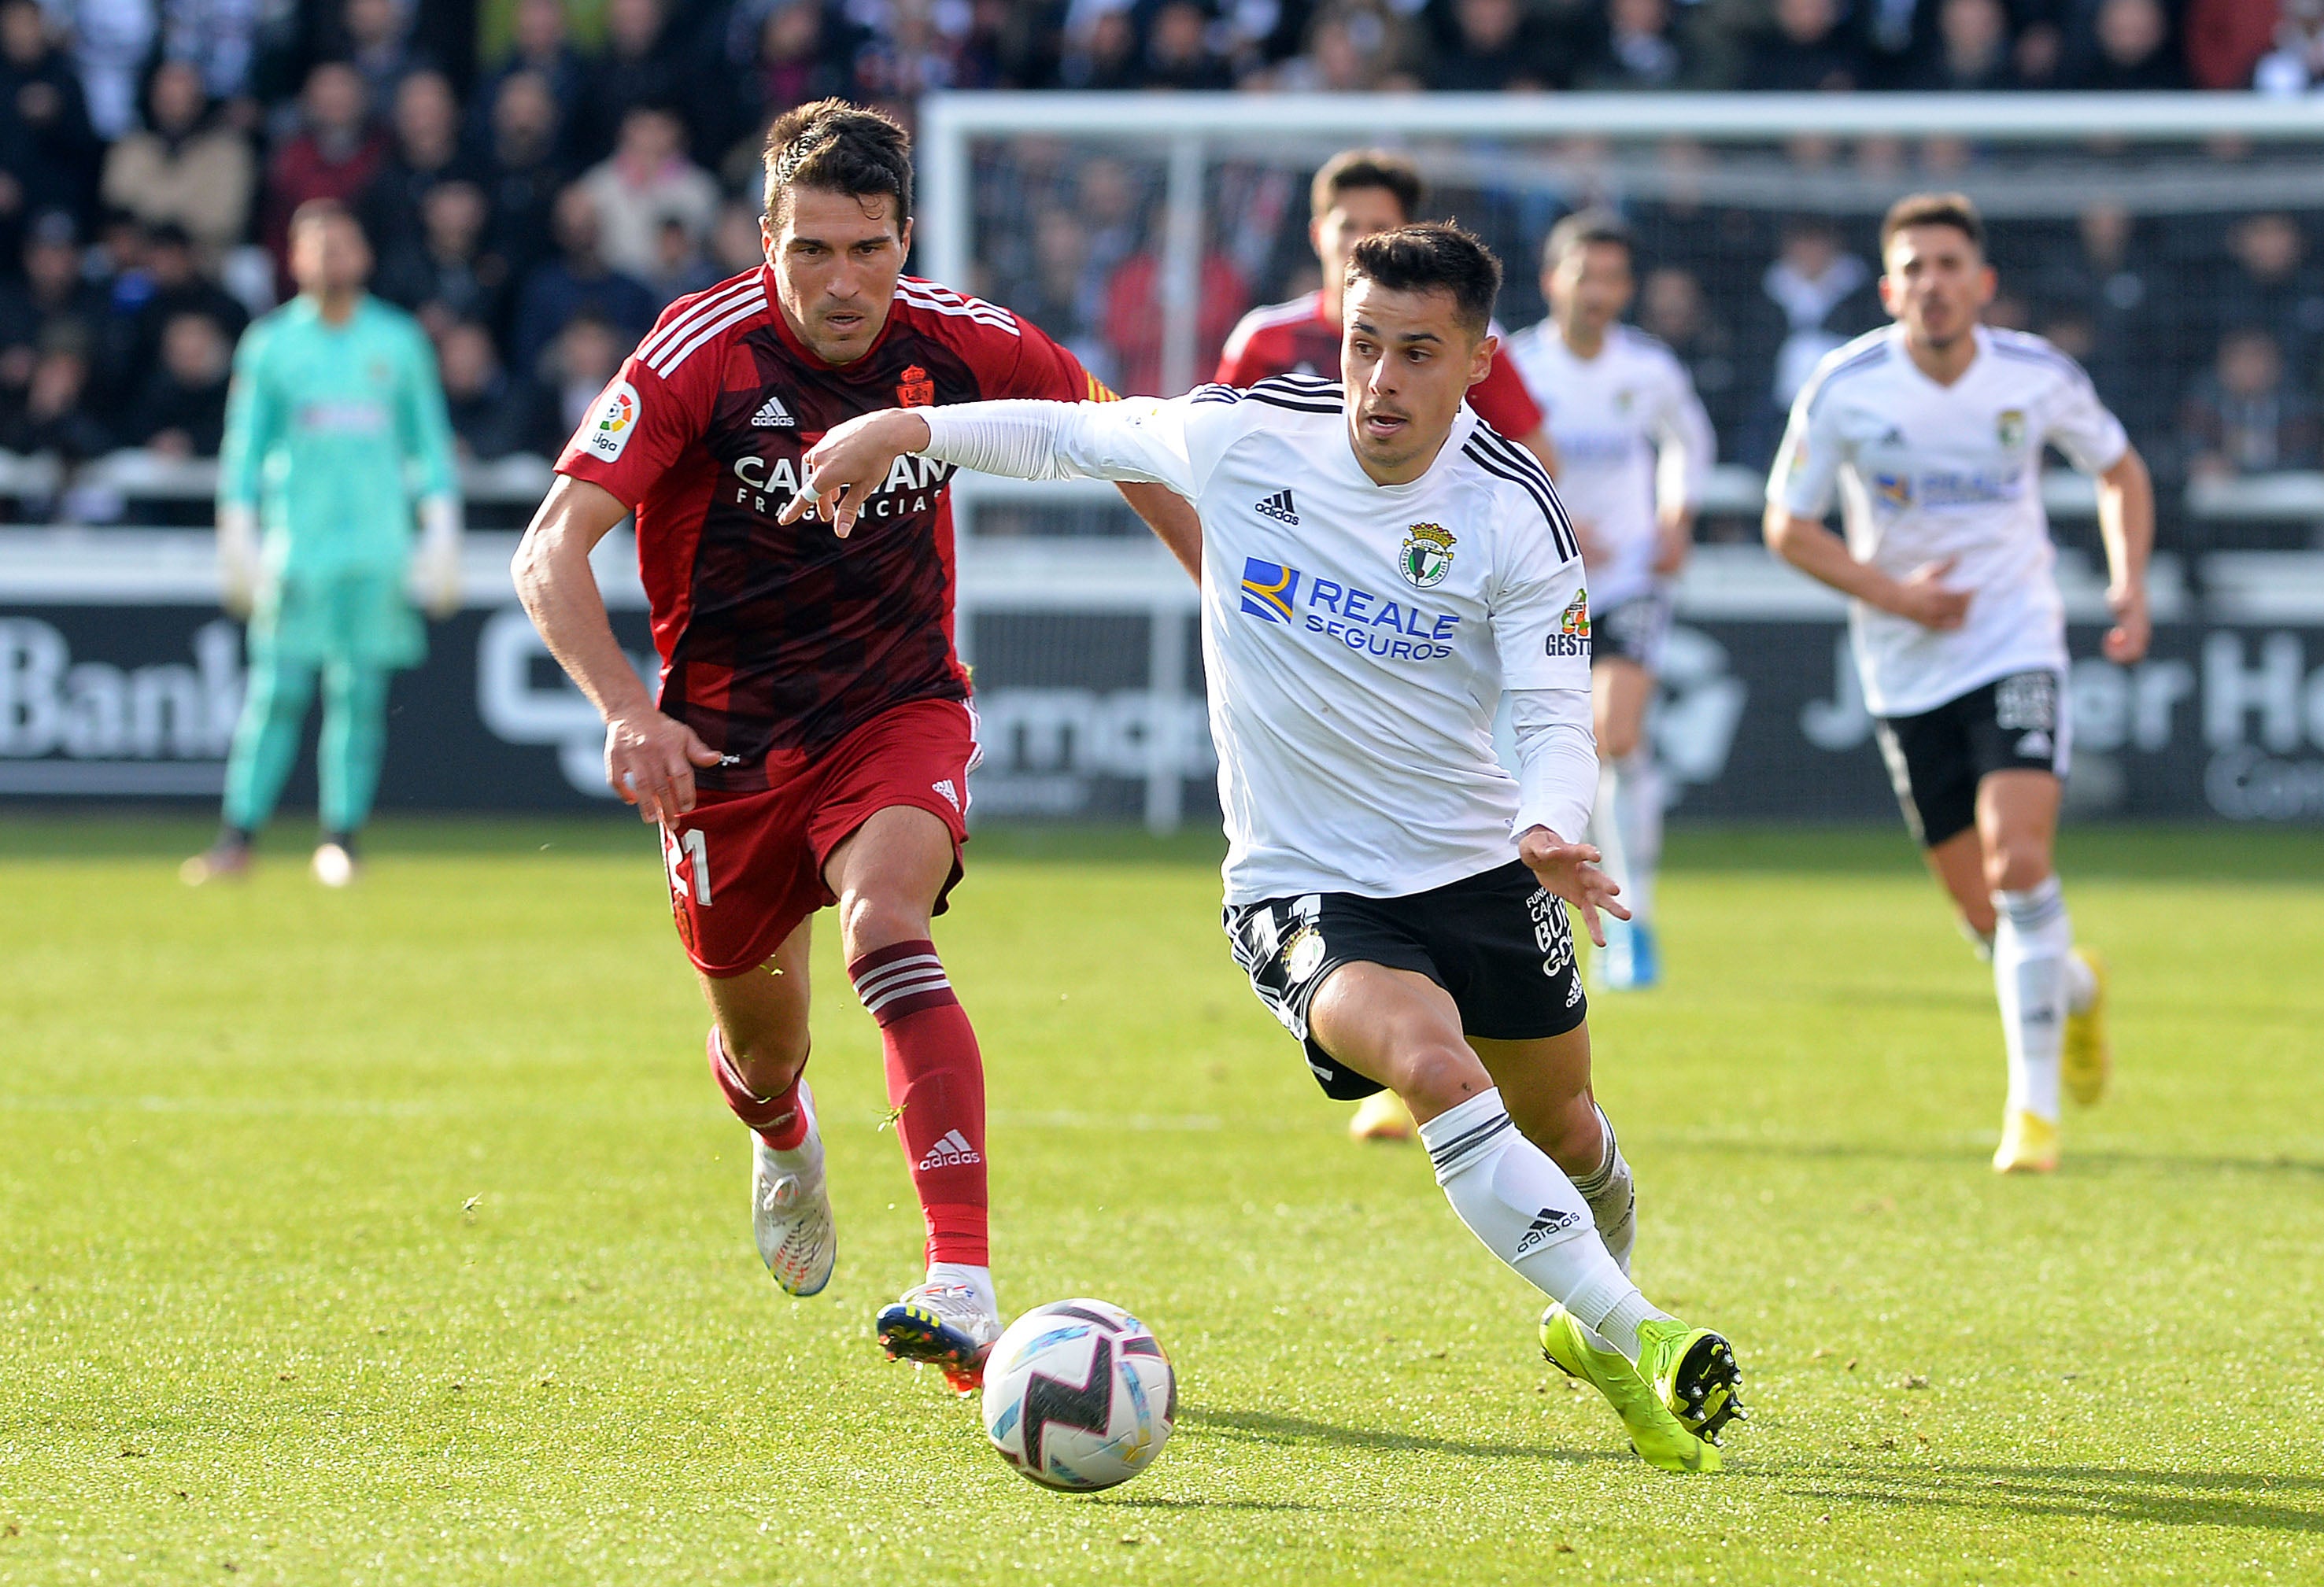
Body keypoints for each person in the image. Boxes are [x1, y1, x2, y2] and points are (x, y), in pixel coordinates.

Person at [791, 222, 1746, 1472]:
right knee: (1431, 1064)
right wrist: (903, 430)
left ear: (1475, 361)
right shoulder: (1248, 434)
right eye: (1363, 344)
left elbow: (1558, 717)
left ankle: (1595, 1331)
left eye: (1417, 352)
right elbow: (1074, 434)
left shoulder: (1516, 514)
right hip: (1305, 886)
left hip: (1475, 863)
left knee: (1568, 1131)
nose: (1380, 380)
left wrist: (1549, 825)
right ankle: (1650, 1333)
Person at [508, 100, 1201, 1394]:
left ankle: (961, 1281)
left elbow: (1135, 443)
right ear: (763, 238)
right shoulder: (694, 355)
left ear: (905, 238)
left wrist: (1232, 608)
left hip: (896, 711)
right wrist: (624, 707)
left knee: (886, 920)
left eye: (867, 249)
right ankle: (783, 1138)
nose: (841, 282)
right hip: (725, 756)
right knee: (764, 1054)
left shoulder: (964, 340)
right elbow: (548, 549)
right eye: (810, 249)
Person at [1764, 192, 2152, 1174]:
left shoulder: (2035, 374)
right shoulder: (1846, 385)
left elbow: (2119, 469)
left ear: (1980, 285)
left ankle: (2032, 1115)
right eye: (1914, 268)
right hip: (1904, 664)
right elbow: (1787, 523)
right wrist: (1892, 592)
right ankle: (2071, 987)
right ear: (1890, 288)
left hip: (2017, 640)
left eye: (1950, 266)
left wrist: (2127, 582)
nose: (1933, 284)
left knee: (2017, 858)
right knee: (1984, 913)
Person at [1215, 145, 1558, 1142]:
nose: (1383, 375)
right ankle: (1393, 1044)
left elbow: (1525, 461)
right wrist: (1219, 565)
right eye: (1339, 223)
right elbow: (1195, 458)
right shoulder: (1265, 348)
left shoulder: (1454, 344)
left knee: (1462, 801)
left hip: (1441, 629)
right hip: (1300, 627)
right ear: (1318, 235)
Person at [183, 201, 461, 890]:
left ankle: (341, 838)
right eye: (318, 246)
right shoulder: (272, 344)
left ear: (363, 255)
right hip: (297, 547)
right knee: (274, 691)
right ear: (296, 259)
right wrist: (237, 534)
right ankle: (237, 835)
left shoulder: (397, 342)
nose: (332, 257)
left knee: (359, 693)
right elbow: (243, 449)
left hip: (376, 547)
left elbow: (428, 443)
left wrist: (442, 528)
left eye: (344, 243)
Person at [1506, 212, 1714, 991]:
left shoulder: (1647, 369)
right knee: (1538, 754)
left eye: (1613, 279)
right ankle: (1544, 912)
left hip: (1627, 580)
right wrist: (1551, 519)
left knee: (1613, 734)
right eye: (1585, 275)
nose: (1599, 293)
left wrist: (1673, 517)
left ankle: (1637, 921)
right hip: (1539, 586)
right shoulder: (1517, 366)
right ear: (1553, 278)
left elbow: (1687, 442)